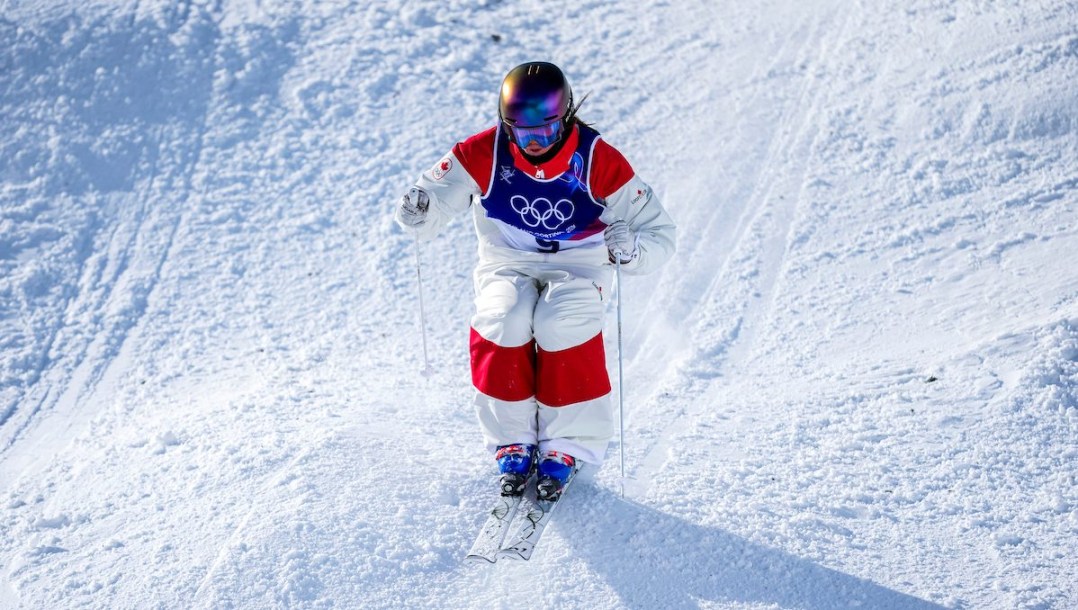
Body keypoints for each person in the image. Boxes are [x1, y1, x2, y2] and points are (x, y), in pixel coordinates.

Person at [394, 61, 675, 501]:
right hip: (507, 260)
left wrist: (630, 250)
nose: (534, 145)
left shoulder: (598, 159)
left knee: (562, 321)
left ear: (563, 120)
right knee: (502, 317)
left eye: (543, 133)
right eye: (521, 135)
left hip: (579, 264)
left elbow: (660, 234)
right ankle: (512, 438)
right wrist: (419, 209)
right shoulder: (482, 152)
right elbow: (433, 201)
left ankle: (567, 443)